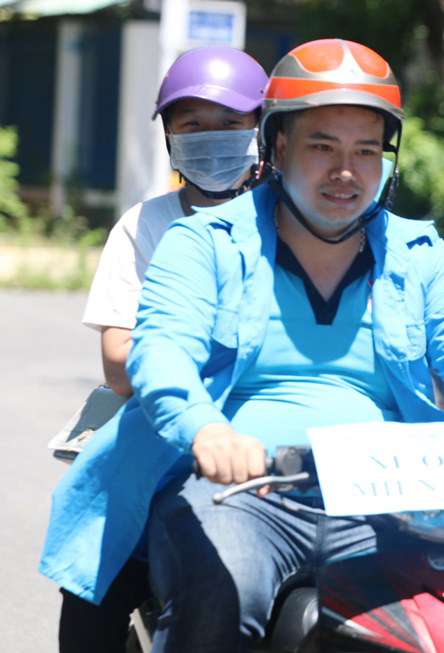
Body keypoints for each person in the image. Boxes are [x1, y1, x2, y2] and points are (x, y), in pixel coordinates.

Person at [40, 39, 444, 651]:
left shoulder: (419, 256)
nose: (346, 171)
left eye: (366, 151)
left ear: (387, 161)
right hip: (238, 494)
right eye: (323, 147)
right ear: (278, 148)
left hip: (387, 499)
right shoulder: (203, 242)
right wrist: (207, 430)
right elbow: (161, 351)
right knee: (221, 589)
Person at [55, 46, 269, 653]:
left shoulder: (301, 220)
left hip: (281, 434)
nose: (212, 138)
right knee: (98, 571)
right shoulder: (145, 225)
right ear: (169, 136)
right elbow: (121, 365)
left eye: (230, 124)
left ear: (265, 129)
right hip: (163, 437)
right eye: (192, 125)